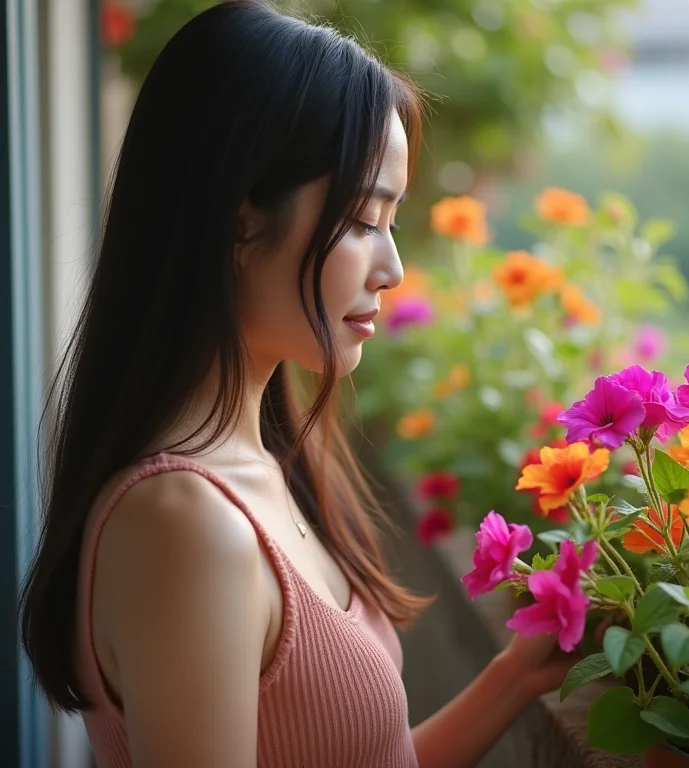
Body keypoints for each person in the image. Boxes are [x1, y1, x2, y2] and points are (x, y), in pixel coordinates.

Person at [19, 2, 577, 766]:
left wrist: (515, 678)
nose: (394, 270)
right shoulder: (185, 523)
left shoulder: (267, 467)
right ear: (241, 224)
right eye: (360, 218)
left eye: (393, 222)